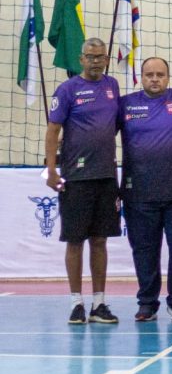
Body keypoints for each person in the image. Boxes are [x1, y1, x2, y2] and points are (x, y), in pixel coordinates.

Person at [45, 38, 121, 325]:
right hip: (76, 178)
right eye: (90, 56)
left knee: (99, 240)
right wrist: (52, 170)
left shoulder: (112, 86)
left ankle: (99, 303)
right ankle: (76, 302)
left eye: (100, 56)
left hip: (106, 176)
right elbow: (53, 130)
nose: (96, 61)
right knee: (75, 240)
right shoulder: (67, 90)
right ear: (81, 59)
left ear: (106, 59)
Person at [118, 56, 172, 321]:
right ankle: (147, 302)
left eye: (160, 74)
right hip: (138, 194)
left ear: (168, 77)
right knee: (144, 251)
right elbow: (100, 129)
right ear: (141, 77)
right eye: (149, 74)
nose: (155, 79)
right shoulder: (125, 104)